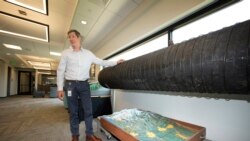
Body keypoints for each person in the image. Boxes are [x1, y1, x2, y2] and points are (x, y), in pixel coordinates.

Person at [57, 29, 123, 141]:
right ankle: (75, 136)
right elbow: (60, 70)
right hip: (70, 85)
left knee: (88, 110)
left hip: (84, 85)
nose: (71, 39)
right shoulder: (65, 53)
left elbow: (101, 62)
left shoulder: (88, 54)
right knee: (73, 112)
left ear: (79, 38)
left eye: (73, 36)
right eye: (69, 37)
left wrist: (115, 62)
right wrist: (59, 88)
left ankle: (89, 135)